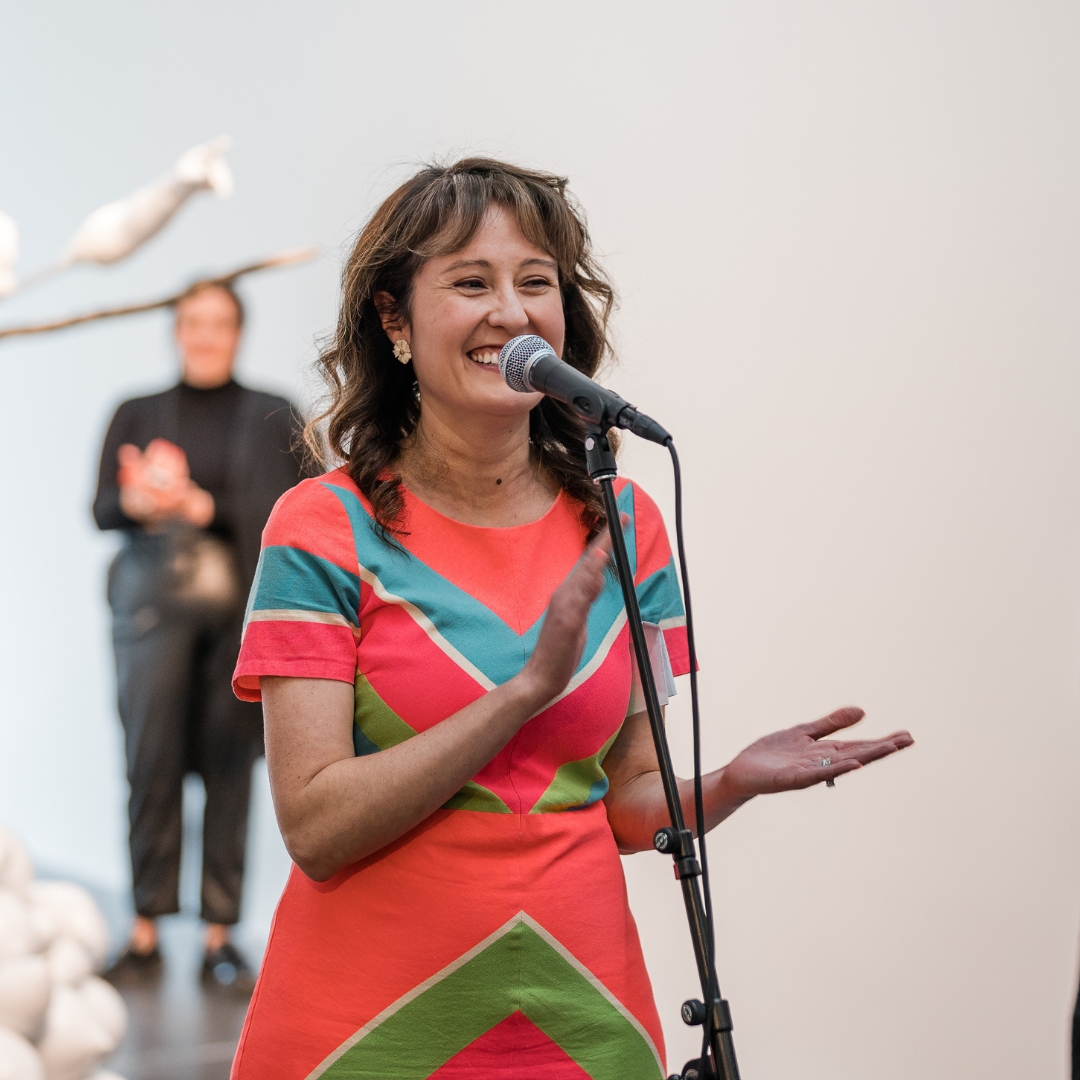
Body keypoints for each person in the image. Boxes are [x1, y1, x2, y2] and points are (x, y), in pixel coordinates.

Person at [228, 159, 914, 1077]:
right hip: (368, 1026)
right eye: (470, 282)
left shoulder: (625, 521)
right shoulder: (322, 526)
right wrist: (523, 693)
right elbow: (315, 828)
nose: (508, 311)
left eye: (535, 282)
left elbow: (627, 806)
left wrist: (727, 784)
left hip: (582, 1018)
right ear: (394, 320)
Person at [93, 280, 308, 991]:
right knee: (147, 761)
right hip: (151, 615)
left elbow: (296, 510)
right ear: (176, 330)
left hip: (239, 618)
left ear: (238, 331)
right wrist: (138, 499)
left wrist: (202, 504)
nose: (205, 334)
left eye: (218, 322)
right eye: (193, 322)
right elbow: (100, 507)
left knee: (229, 764)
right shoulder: (136, 410)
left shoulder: (274, 413)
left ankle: (221, 932)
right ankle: (145, 928)